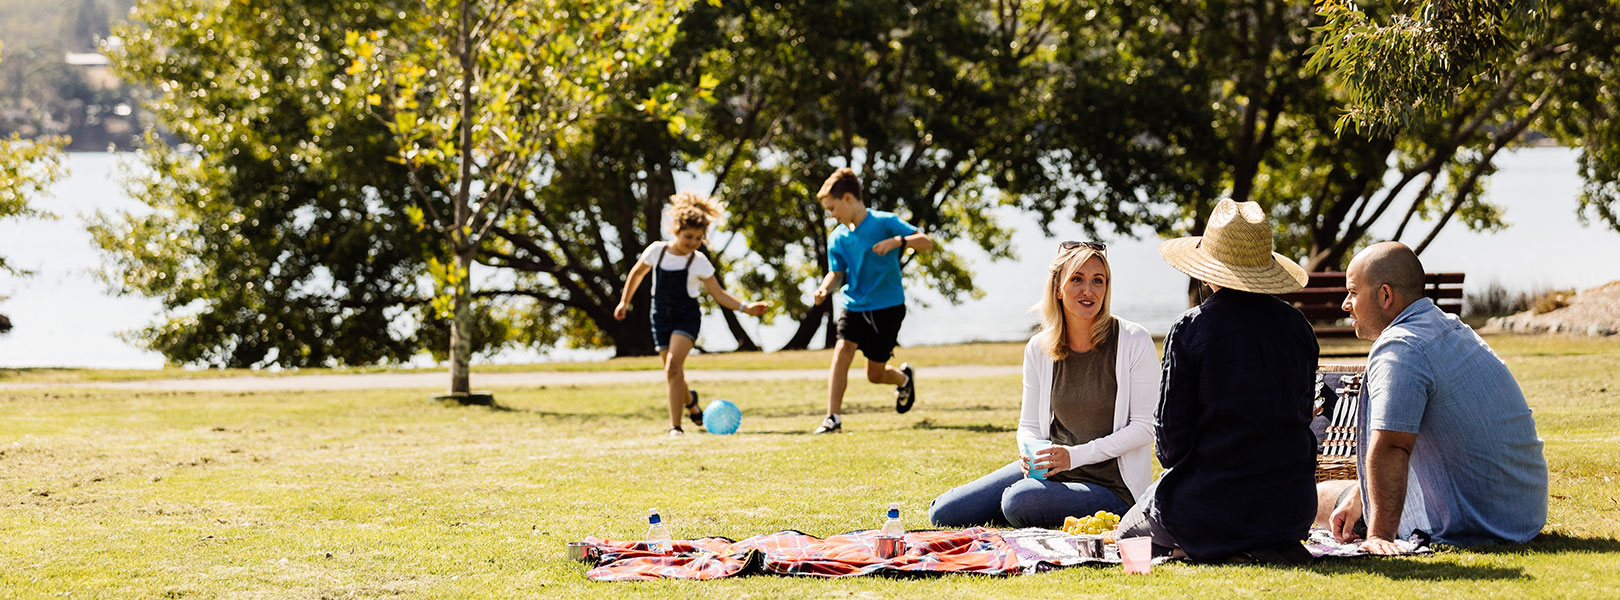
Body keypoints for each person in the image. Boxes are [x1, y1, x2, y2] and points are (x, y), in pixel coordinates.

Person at [1117, 199, 1318, 564]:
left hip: (1210, 506)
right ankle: (1237, 546)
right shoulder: (1298, 328)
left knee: (1128, 533)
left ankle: (1197, 549)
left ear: (1206, 270)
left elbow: (1170, 447)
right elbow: (1303, 417)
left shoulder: (1191, 329)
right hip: (1290, 508)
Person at [1317, 242, 1547, 553]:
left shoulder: (1401, 348)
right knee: (1347, 493)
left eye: (1353, 292)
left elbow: (1392, 446)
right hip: (1519, 516)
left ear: (1385, 295)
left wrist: (1379, 537)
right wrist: (1362, 492)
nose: (1346, 304)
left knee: (1314, 497)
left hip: (1472, 524)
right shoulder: (1451, 330)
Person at [927, 242, 1158, 528]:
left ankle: (1029, 505)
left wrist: (1073, 457)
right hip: (1052, 471)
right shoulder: (1039, 348)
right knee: (943, 513)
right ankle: (1030, 504)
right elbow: (1028, 426)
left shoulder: (1134, 340)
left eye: (1098, 281)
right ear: (1058, 288)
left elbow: (1145, 427)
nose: (1089, 290)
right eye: (1077, 279)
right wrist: (1029, 451)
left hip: (1114, 488)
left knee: (1020, 500)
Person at [614, 191, 769, 436]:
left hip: (686, 317)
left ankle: (675, 427)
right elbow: (636, 274)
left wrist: (745, 307)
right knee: (673, 371)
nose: (693, 243)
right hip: (660, 318)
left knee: (673, 367)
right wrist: (624, 302)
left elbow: (719, 294)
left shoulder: (699, 262)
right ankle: (692, 403)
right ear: (675, 230)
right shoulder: (657, 251)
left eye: (698, 238)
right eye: (688, 236)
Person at [808, 168, 933, 434]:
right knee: (842, 351)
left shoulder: (884, 222)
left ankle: (902, 378)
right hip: (854, 305)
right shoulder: (837, 237)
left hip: (887, 308)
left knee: (874, 375)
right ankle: (833, 418)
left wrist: (898, 241)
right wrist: (824, 288)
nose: (831, 214)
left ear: (849, 198)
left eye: (832, 208)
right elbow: (836, 272)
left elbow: (925, 242)